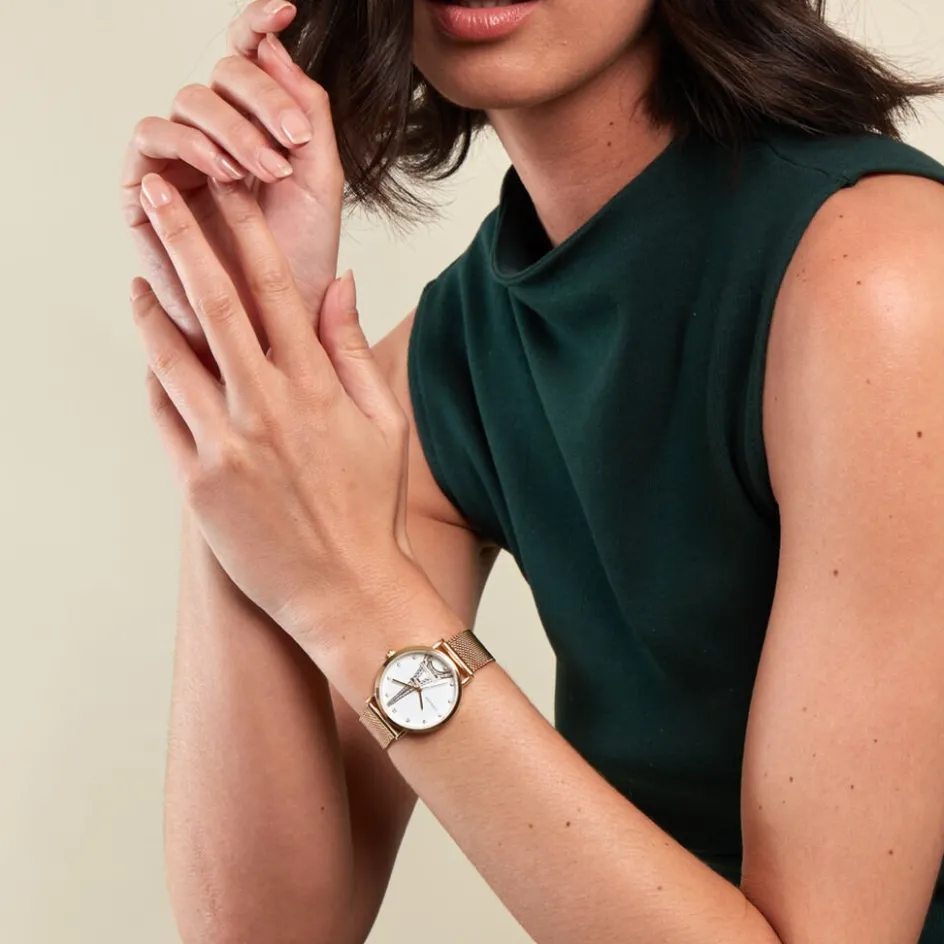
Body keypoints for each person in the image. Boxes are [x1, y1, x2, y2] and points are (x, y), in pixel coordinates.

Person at [119, 0, 944, 941]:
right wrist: (248, 366)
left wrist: (354, 597)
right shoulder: (460, 352)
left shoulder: (882, 278)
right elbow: (267, 931)